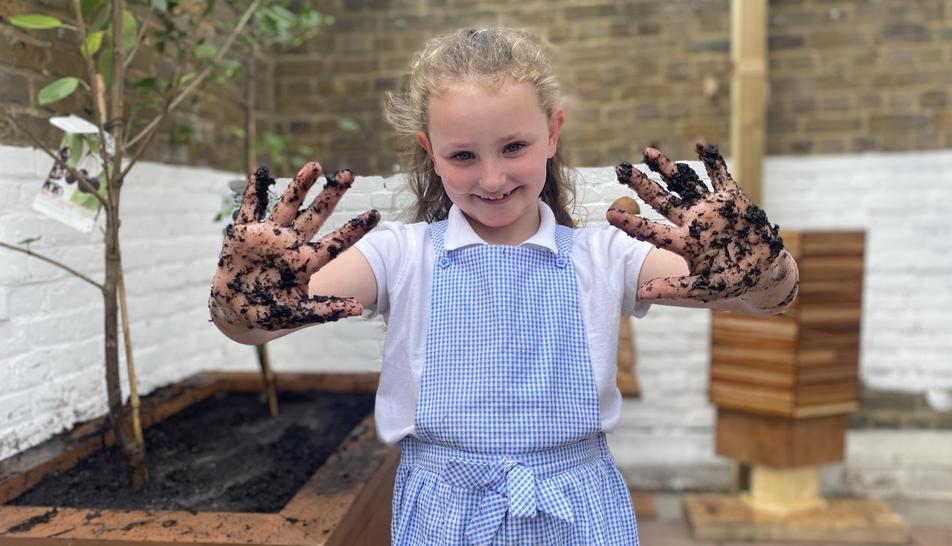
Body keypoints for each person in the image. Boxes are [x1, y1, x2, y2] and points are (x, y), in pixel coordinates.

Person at [209, 27, 798, 546]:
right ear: (431, 154)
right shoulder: (398, 255)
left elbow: (761, 299)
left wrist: (767, 270)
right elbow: (257, 323)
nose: (491, 177)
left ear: (553, 133)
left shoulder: (605, 255)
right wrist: (241, 303)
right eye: (463, 155)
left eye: (513, 147)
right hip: (444, 513)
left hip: (578, 512)